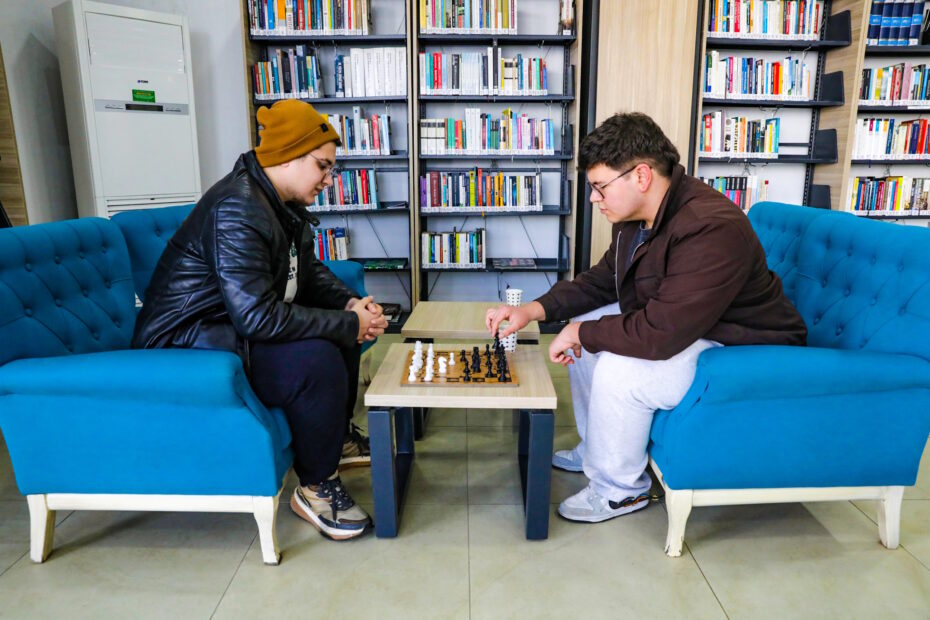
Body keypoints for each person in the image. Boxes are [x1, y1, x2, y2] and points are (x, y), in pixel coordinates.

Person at [487, 112, 807, 524]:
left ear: (640, 176)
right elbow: (603, 281)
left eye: (599, 187)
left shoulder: (710, 227)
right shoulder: (636, 219)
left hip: (743, 346)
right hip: (694, 325)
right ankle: (598, 448)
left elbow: (660, 333)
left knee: (619, 367)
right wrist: (531, 310)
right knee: (588, 324)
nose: (593, 199)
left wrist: (582, 332)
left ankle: (620, 492)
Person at [133, 100, 387, 541]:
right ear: (288, 156)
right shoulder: (238, 207)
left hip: (226, 328)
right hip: (186, 341)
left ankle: (335, 440)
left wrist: (350, 305)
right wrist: (348, 324)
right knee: (317, 360)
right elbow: (255, 316)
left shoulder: (279, 204)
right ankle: (315, 487)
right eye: (323, 166)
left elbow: (308, 272)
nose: (329, 180)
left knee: (339, 333)